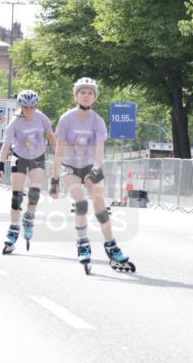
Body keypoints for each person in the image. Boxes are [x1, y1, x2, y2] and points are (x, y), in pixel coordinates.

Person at [50, 77, 135, 273]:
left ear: (94, 97)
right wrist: (54, 180)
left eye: (90, 93)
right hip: (69, 166)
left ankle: (111, 246)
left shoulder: (98, 121)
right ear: (76, 95)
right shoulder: (66, 119)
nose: (86, 95)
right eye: (83, 92)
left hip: (90, 166)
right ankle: (82, 243)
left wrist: (95, 171)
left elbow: (99, 152)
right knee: (81, 202)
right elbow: (59, 152)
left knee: (100, 206)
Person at [0, 90, 56, 253]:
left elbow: (51, 137)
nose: (28, 110)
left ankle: (29, 218)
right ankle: (13, 230)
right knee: (16, 197)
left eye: (32, 107)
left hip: (38, 156)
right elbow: (6, 145)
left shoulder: (42, 118)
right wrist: (0, 167)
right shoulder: (14, 122)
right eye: (25, 107)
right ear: (20, 106)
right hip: (19, 156)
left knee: (34, 193)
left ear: (36, 106)